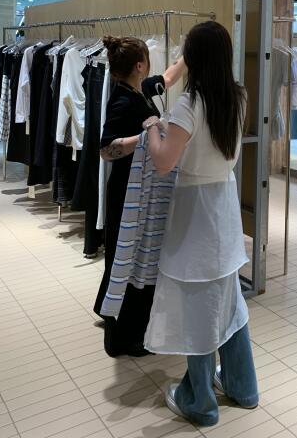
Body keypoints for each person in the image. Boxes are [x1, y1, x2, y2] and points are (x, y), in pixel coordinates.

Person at [143, 21, 259, 427]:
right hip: (224, 206)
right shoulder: (237, 96)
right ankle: (243, 386)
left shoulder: (190, 104)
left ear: (193, 57)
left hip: (195, 213)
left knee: (198, 309)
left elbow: (164, 161)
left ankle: (200, 402)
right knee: (229, 302)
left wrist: (153, 129)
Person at [94, 36, 186, 357]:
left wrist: (189, 55)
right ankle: (120, 339)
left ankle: (110, 313)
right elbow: (106, 149)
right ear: (139, 65)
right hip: (125, 191)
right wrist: (148, 133)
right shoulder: (123, 100)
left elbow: (169, 77)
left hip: (140, 190)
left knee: (128, 258)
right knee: (127, 259)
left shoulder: (140, 89)